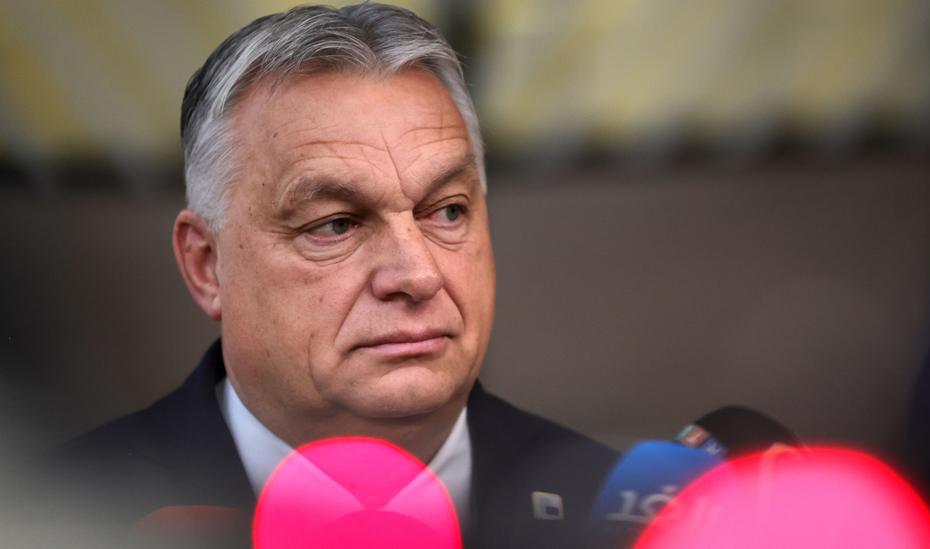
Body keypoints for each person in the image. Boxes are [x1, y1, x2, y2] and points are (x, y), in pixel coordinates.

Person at [50, 4, 617, 548]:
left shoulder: (616, 515)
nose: (418, 275)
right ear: (206, 266)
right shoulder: (54, 514)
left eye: (447, 211)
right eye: (336, 225)